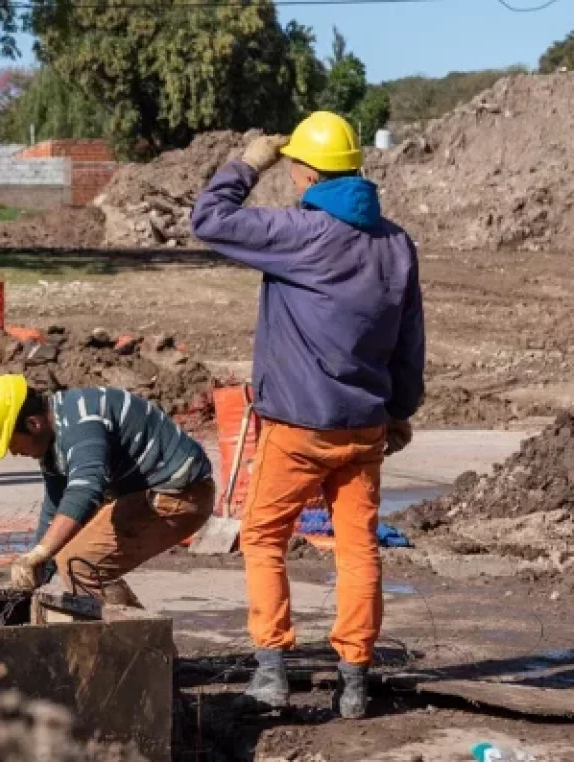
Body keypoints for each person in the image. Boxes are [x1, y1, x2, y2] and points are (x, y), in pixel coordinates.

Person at [190, 111, 426, 719]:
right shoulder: (396, 245)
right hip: (365, 427)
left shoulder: (298, 233)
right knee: (358, 550)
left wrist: (245, 163)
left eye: (292, 165)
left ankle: (271, 673)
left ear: (303, 170)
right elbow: (408, 344)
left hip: (297, 428)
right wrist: (399, 412)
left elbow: (208, 219)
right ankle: (354, 681)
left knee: (265, 537)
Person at [0, 375, 216, 606]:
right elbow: (56, 506)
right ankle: (143, 643)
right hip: (151, 493)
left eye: (11, 442)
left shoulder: (81, 421)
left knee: (80, 566)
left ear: (33, 424)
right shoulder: (55, 438)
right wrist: (38, 566)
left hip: (180, 494)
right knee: (78, 561)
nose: (13, 452)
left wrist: (42, 552)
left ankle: (137, 648)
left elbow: (86, 489)